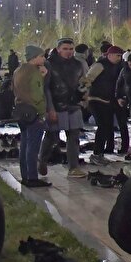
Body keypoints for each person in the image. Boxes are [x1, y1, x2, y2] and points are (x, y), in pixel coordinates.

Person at [43, 37, 88, 179]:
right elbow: (46, 88)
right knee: (52, 137)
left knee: (74, 136)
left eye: (71, 49)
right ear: (58, 49)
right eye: (65, 49)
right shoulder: (49, 64)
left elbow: (81, 83)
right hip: (56, 105)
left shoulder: (78, 65)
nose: (68, 52)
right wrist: (50, 108)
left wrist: (83, 94)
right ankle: (42, 160)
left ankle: (73, 167)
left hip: (73, 104)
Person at [13, 46, 51, 188]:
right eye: (42, 56)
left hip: (21, 111)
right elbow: (37, 94)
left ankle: (25, 175)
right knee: (33, 146)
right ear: (34, 57)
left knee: (24, 144)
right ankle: (32, 178)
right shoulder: (34, 72)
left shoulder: (18, 70)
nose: (44, 59)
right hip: (33, 112)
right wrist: (42, 113)